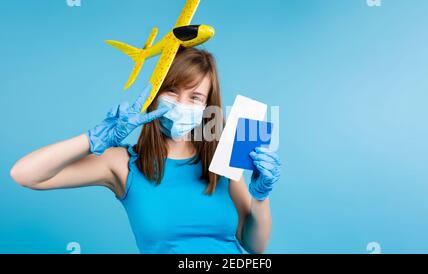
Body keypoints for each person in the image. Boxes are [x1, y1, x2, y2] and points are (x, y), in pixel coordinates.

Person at [10, 47, 281, 254]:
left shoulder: (223, 156)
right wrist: (93, 138)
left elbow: (254, 246)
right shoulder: (122, 163)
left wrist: (261, 197)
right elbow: (25, 174)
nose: (181, 104)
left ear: (208, 106)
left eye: (195, 97)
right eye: (172, 92)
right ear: (154, 95)